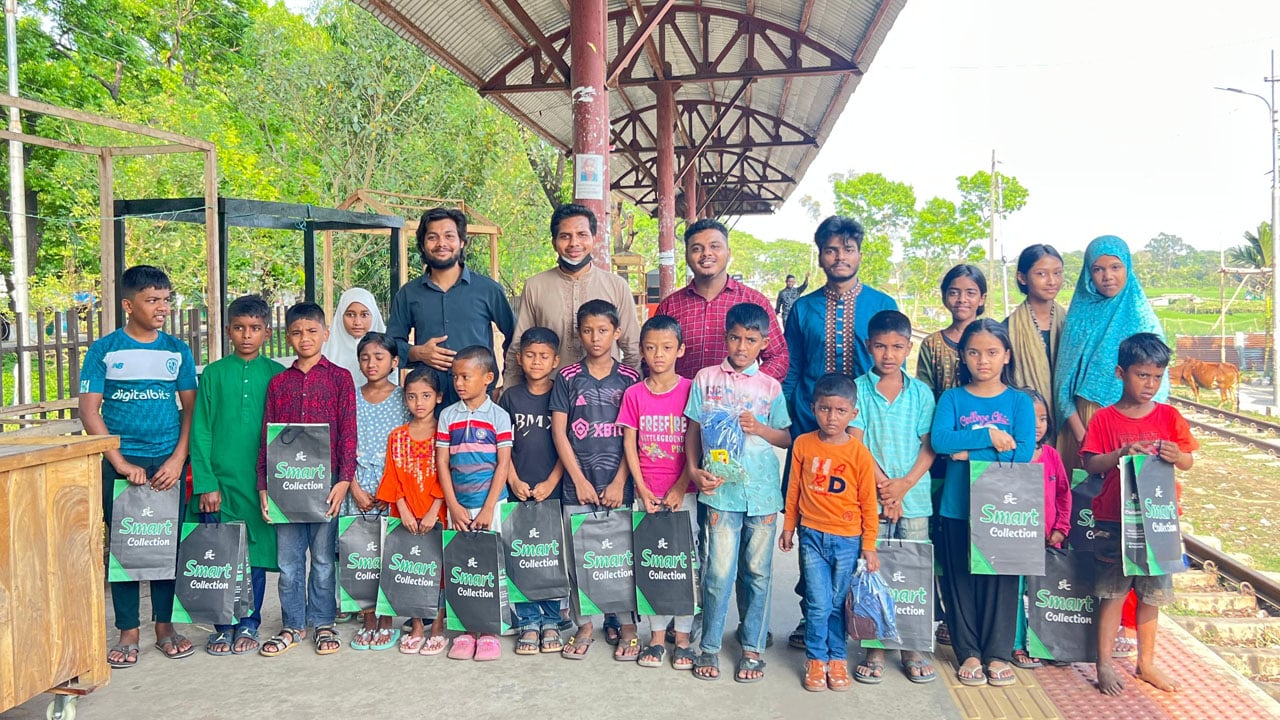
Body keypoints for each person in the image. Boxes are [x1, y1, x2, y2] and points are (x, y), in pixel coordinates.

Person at [782, 215, 896, 646]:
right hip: (810, 428)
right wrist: (791, 420)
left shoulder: (881, 304)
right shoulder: (804, 308)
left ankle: (854, 618)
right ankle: (810, 615)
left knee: (856, 521)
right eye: (831, 250)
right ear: (820, 256)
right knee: (811, 523)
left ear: (860, 254)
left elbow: (890, 367)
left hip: (862, 433)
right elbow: (792, 368)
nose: (839, 257)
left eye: (848, 249)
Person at [79, 265, 198, 667]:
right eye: (152, 300)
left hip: (167, 464)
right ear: (129, 305)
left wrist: (178, 459)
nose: (162, 308)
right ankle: (127, 631)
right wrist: (119, 461)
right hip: (120, 464)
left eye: (166, 300)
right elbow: (89, 410)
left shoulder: (177, 351)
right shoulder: (104, 350)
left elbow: (190, 409)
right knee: (126, 547)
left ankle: (165, 627)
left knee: (166, 544)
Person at [1082, 333, 1196, 696]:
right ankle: (1103, 663)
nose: (1149, 384)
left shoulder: (1169, 416)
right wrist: (1121, 453)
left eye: (1157, 377)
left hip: (1158, 519)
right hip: (1113, 520)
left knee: (1152, 594)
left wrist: (1178, 456)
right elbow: (1089, 463)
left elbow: (1189, 461)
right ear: (1121, 373)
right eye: (1141, 375)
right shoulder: (1104, 419)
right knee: (1113, 592)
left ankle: (1146, 663)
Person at [685, 303, 792, 682]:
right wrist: (694, 470)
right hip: (720, 493)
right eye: (735, 338)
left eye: (751, 340)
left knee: (757, 573)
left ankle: (752, 647)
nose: (742, 346)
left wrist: (760, 428)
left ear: (764, 343)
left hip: (761, 493)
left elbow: (786, 437)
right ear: (725, 338)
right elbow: (693, 430)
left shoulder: (770, 387)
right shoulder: (706, 379)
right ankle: (710, 646)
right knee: (717, 573)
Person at [929, 319, 1035, 688]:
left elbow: (1023, 453)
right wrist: (989, 434)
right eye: (974, 352)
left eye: (992, 352)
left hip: (1003, 507)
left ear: (1007, 355)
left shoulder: (1019, 402)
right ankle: (969, 653)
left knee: (1000, 581)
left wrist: (969, 452)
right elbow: (941, 441)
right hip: (958, 506)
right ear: (962, 356)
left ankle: (997, 654)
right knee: (959, 580)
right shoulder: (952, 398)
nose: (983, 360)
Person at [257, 302, 357, 657]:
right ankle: (293, 624)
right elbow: (267, 436)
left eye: (312, 331)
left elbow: (349, 433)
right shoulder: (279, 383)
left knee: (324, 559)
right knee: (288, 562)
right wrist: (264, 485)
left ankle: (323, 621)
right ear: (288, 337)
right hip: (286, 485)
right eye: (297, 333)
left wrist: (344, 480)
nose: (305, 338)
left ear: (325, 334)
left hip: (325, 484)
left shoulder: (340, 378)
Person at [848, 310, 937, 685]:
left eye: (897, 347)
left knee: (913, 571)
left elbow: (929, 446)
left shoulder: (920, 393)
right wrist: (885, 487)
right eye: (881, 346)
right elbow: (856, 443)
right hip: (871, 499)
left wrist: (903, 485)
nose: (889, 354)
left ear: (908, 348)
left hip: (913, 499)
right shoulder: (857, 390)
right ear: (868, 346)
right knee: (874, 570)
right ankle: (875, 647)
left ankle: (912, 647)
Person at [550, 299, 642, 660]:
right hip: (578, 485)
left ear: (616, 332)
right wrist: (579, 480)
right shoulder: (568, 377)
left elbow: (633, 438)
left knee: (620, 557)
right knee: (580, 557)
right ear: (579, 334)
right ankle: (585, 625)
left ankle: (628, 626)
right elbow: (560, 433)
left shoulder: (630, 379)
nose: (595, 337)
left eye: (603, 330)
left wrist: (620, 482)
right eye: (587, 331)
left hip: (619, 485)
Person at [191, 294, 283, 657]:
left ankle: (249, 622)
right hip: (221, 482)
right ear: (228, 330)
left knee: (254, 555)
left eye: (255, 328)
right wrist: (206, 483)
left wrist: (275, 483)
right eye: (240, 328)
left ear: (267, 332)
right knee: (220, 553)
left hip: (258, 483)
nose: (247, 335)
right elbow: (201, 430)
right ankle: (222, 626)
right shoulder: (213, 375)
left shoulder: (276, 375)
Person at [779, 373, 878, 692]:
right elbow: (794, 489)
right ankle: (816, 658)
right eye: (824, 409)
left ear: (853, 413)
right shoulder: (803, 444)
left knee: (837, 603)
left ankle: (837, 658)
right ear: (813, 408)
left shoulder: (859, 452)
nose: (831, 417)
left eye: (840, 411)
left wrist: (869, 544)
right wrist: (789, 527)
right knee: (818, 602)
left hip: (848, 540)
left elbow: (868, 501)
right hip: (811, 536)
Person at [617, 315, 697, 671]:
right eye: (650, 348)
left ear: (680, 350)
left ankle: (684, 637)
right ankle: (657, 637)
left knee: (684, 564)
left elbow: (696, 443)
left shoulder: (691, 390)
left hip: (685, 494)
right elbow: (629, 445)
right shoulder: (634, 394)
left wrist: (680, 485)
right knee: (652, 564)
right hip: (646, 494)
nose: (658, 355)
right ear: (641, 351)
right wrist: (642, 488)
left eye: (666, 347)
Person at [1055, 235, 1168, 474]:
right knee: (1085, 492)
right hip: (1084, 420)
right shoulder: (1078, 317)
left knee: (1129, 490)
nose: (1107, 276)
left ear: (1127, 268)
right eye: (1098, 269)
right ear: (1088, 274)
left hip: (1136, 428)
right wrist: (1082, 435)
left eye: (1115, 267)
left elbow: (1159, 383)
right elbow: (1062, 384)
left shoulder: (1143, 318)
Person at [387, 207, 515, 406]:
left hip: (479, 404)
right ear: (422, 245)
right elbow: (390, 345)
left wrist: (508, 383)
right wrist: (418, 353)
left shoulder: (488, 290)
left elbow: (515, 337)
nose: (441, 244)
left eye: (449, 236)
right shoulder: (408, 294)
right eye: (432, 237)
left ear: (462, 242)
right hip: (428, 406)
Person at [505, 203, 641, 387]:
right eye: (565, 236)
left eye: (582, 235)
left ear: (594, 239)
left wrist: (633, 394)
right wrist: (510, 392)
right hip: (549, 393)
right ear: (554, 243)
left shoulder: (617, 286)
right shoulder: (535, 286)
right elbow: (519, 346)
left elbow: (633, 349)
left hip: (605, 396)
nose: (574, 243)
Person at [435, 345, 513, 661]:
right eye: (455, 377)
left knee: (490, 565)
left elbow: (503, 464)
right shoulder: (447, 416)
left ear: (488, 378)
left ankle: (490, 632)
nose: (459, 383)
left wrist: (489, 507)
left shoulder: (499, 417)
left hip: (490, 504)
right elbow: (442, 463)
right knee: (463, 565)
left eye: (466, 377)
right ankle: (466, 630)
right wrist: (453, 505)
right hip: (459, 505)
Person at [498, 327, 568, 656]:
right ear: (519, 359)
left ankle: (552, 619)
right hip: (518, 489)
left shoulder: (561, 394)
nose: (536, 362)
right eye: (530, 355)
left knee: (550, 556)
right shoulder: (510, 397)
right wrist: (511, 479)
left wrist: (552, 482)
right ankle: (527, 620)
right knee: (522, 555)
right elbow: (503, 446)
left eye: (543, 356)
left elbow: (568, 445)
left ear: (555, 361)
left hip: (552, 490)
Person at [655, 219, 789, 382]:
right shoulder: (669, 306)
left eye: (715, 246)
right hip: (681, 398)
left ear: (728, 253)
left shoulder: (755, 301)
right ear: (687, 256)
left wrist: (749, 386)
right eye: (697, 249)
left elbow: (778, 357)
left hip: (740, 398)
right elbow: (651, 358)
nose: (706, 253)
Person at [377, 366, 449, 656]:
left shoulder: (444, 434)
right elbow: (392, 477)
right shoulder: (397, 436)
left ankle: (437, 625)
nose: (419, 403)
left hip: (437, 514)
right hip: (404, 514)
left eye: (426, 395)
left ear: (438, 397)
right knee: (411, 569)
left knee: (438, 570)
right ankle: (417, 625)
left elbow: (447, 474)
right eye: (411, 396)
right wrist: (403, 509)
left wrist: (434, 510)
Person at [345, 331, 410, 651]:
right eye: (365, 358)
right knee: (362, 556)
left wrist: (390, 491)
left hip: (392, 489)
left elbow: (407, 447)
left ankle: (387, 620)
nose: (371, 363)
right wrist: (353, 487)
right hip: (356, 487)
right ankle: (368, 619)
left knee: (389, 555)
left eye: (379, 357)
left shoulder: (404, 399)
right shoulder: (350, 397)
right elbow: (342, 445)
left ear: (394, 362)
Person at [1011, 387, 1072, 670]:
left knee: (1045, 593)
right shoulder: (1010, 456)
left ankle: (1047, 643)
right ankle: (1017, 644)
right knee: (1015, 594)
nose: (1037, 425)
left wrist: (1061, 527)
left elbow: (1063, 494)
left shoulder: (1051, 455)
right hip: (1015, 541)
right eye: (1030, 418)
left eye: (1043, 418)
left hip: (1048, 542)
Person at [1005, 245, 1066, 422]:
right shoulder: (1008, 329)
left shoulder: (1072, 324)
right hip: (1027, 421)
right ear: (1022, 278)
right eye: (1041, 274)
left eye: (1057, 273)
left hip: (1069, 422)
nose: (1052, 281)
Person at [918, 264, 988, 402]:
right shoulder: (932, 344)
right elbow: (925, 393)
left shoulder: (994, 340)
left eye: (970, 293)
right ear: (944, 297)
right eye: (954, 293)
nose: (962, 299)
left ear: (982, 298)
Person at [323, 287, 388, 388]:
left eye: (364, 315)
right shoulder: (324, 349)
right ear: (341, 315)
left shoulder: (388, 348)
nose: (357, 322)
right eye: (350, 315)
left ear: (374, 316)